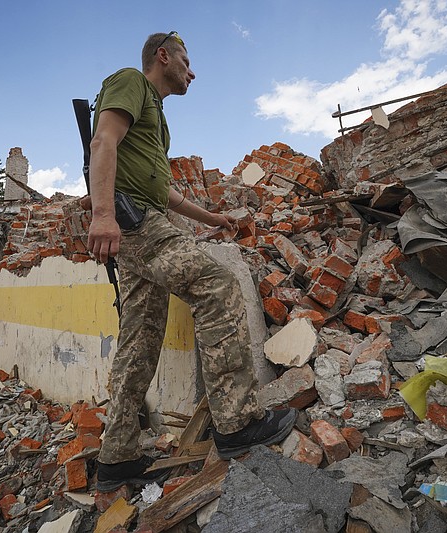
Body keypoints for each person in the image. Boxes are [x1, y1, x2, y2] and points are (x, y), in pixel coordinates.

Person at [85, 31, 296, 492]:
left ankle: (116, 458)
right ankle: (237, 422)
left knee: (139, 339)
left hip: (143, 215)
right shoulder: (130, 82)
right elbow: (102, 143)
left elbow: (165, 192)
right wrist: (102, 214)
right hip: (133, 220)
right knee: (217, 285)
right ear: (163, 56)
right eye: (185, 59)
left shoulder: (156, 117)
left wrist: (212, 217)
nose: (192, 70)